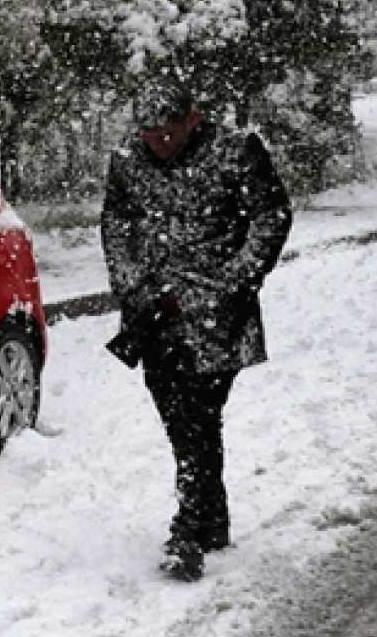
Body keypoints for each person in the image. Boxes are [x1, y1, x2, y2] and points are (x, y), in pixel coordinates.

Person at [100, 78, 293, 582]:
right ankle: (213, 516)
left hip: (216, 315)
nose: (157, 142)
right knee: (175, 411)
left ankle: (188, 529)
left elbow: (271, 216)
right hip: (153, 312)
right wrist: (128, 281)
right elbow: (116, 223)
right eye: (149, 133)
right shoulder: (127, 161)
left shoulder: (236, 151)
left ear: (193, 118)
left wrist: (235, 281)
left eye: (167, 132)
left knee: (199, 413)